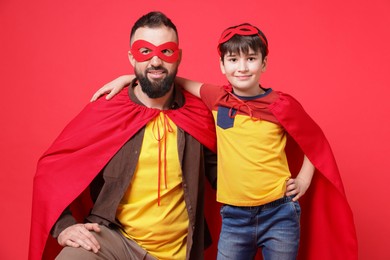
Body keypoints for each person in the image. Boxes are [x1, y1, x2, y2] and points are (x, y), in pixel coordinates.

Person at [93, 23, 358, 259]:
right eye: (233, 60)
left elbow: (315, 141)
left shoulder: (282, 105)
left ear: (264, 63)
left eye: (251, 59)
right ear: (222, 65)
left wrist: (303, 179)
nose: (242, 68)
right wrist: (132, 77)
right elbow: (178, 82)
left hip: (280, 214)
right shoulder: (216, 97)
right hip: (235, 218)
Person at [29, 11, 218, 260]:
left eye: (166, 52)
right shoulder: (109, 108)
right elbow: (53, 168)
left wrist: (284, 188)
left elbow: (228, 174)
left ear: (178, 57)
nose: (155, 61)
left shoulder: (196, 114)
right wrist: (64, 226)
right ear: (131, 57)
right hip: (115, 241)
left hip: (180, 252)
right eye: (145, 52)